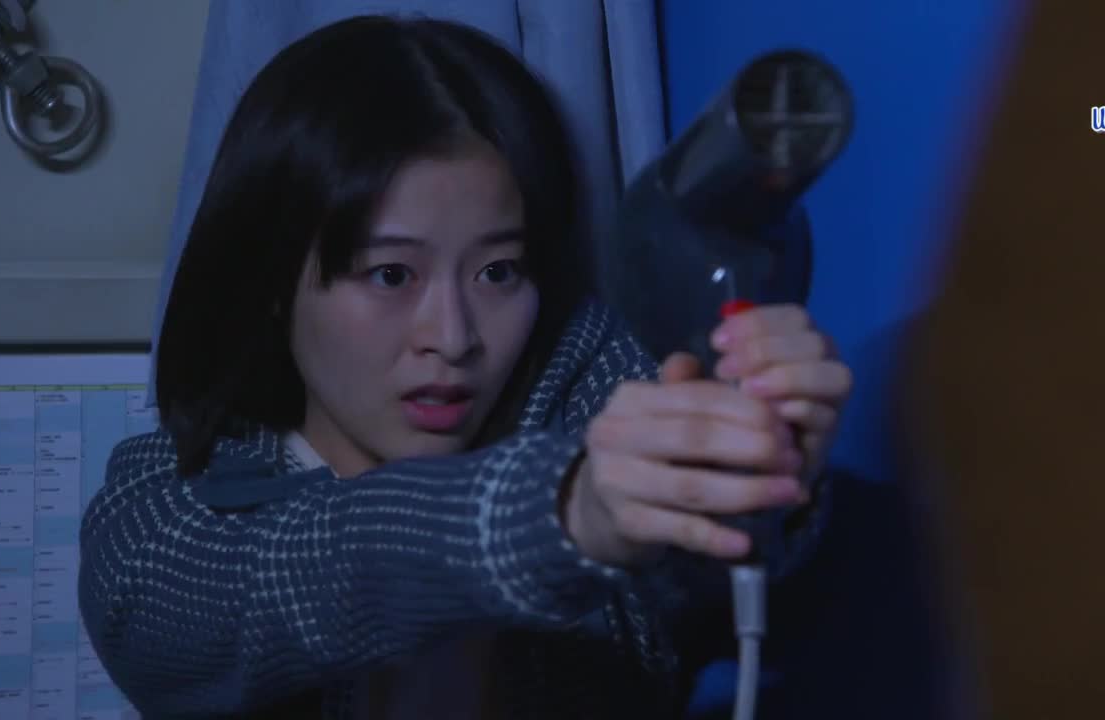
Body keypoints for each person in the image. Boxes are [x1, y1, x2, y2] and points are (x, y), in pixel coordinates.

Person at [77, 15, 853, 720]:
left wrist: (755, 469)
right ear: (276, 281)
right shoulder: (166, 506)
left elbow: (696, 574)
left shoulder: (598, 391)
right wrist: (563, 512)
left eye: (498, 272)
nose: (451, 338)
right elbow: (282, 583)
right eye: (390, 275)